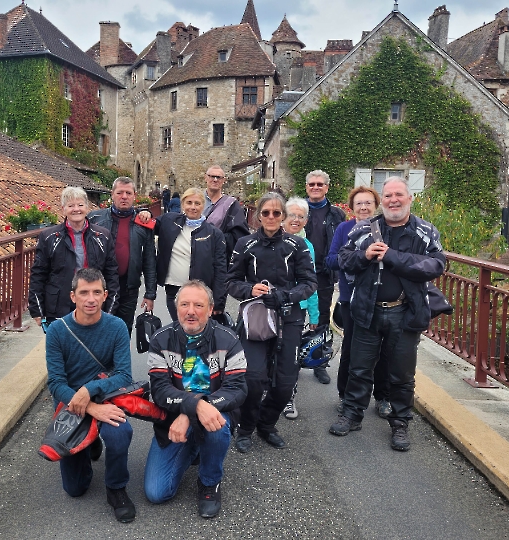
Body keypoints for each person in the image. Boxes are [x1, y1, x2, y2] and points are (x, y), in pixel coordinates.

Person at [329, 178, 445, 451]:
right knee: (359, 368)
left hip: (405, 313)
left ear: (409, 198)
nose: (394, 200)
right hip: (367, 311)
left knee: (402, 375)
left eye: (399, 195)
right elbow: (342, 260)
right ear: (383, 200)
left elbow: (436, 264)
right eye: (388, 195)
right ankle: (352, 415)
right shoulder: (363, 229)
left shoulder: (425, 232)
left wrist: (392, 256)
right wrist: (365, 255)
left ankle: (400, 424)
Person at [144, 280, 247, 518]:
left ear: (210, 309)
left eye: (198, 305)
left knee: (216, 426)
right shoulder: (160, 340)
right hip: (172, 419)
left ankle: (210, 482)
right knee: (157, 493)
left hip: (215, 412)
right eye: (185, 304)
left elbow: (237, 390)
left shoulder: (229, 340)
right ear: (176, 307)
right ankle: (193, 447)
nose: (191, 311)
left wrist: (197, 410)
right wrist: (195, 407)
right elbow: (159, 390)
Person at [227, 192, 317, 453]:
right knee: (253, 378)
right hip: (255, 317)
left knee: (286, 382)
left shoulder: (296, 245)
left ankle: (267, 424)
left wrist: (287, 295)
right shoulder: (244, 244)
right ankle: (245, 426)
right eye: (266, 212)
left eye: (276, 213)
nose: (270, 217)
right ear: (258, 215)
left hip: (289, 317)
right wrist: (249, 290)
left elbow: (310, 283)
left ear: (283, 217)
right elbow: (231, 281)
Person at [44, 268, 136, 523]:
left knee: (120, 433)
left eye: (97, 292)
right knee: (75, 489)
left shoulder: (117, 327)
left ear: (105, 295)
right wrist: (88, 407)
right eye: (84, 293)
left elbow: (124, 376)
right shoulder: (57, 331)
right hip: (70, 402)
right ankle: (89, 442)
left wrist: (90, 391)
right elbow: (56, 383)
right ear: (73, 296)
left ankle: (116, 488)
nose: (91, 299)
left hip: (104, 396)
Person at [326, 186, 391, 417]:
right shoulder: (344, 228)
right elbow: (331, 260)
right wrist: (359, 257)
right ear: (352, 208)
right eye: (359, 204)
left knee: (384, 352)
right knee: (352, 349)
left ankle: (383, 396)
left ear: (376, 205)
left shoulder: (386, 227)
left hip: (381, 298)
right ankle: (346, 395)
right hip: (352, 297)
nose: (363, 207)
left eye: (368, 203)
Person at [29, 187, 119, 326]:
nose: (76, 209)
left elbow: (111, 273)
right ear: (63, 209)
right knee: (61, 345)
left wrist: (110, 309)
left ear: (87, 207)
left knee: (91, 345)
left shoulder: (103, 236)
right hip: (59, 305)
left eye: (80, 205)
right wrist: (37, 310)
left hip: (92, 303)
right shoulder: (49, 237)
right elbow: (38, 274)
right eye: (71, 205)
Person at [88, 177, 156, 335]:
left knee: (123, 332)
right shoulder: (94, 219)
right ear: (112, 194)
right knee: (97, 330)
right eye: (119, 192)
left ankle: (120, 360)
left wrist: (150, 294)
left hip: (129, 287)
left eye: (128, 193)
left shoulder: (143, 223)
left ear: (134, 195)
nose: (124, 196)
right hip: (99, 285)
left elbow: (150, 260)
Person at [153, 188, 227, 322]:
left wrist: (219, 301)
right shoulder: (169, 221)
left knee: (197, 329)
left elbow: (220, 269)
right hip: (174, 289)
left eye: (197, 203)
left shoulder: (214, 234)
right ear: (183, 204)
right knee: (179, 327)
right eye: (189, 203)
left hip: (200, 292)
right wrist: (144, 212)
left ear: (203, 206)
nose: (193, 207)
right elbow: (149, 224)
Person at [303, 170, 346, 385]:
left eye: (320, 184)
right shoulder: (296, 210)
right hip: (297, 274)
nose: (316, 187)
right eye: (312, 184)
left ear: (327, 187)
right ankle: (287, 362)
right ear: (306, 187)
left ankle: (318, 362)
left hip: (323, 274)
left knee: (320, 320)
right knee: (292, 318)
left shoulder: (336, 214)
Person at [281, 197, 319, 420]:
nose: (296, 220)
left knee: (290, 354)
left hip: (297, 308)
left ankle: (288, 396)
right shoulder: (272, 239)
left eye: (301, 216)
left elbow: (311, 281)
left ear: (306, 220)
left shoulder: (308, 246)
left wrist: (314, 313)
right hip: (272, 305)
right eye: (292, 215)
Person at [202, 165, 250, 267]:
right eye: (212, 176)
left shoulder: (231, 204)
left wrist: (214, 236)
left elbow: (240, 236)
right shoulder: (196, 201)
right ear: (205, 177)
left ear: (223, 180)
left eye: (219, 177)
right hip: (196, 256)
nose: (215, 180)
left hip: (219, 259)